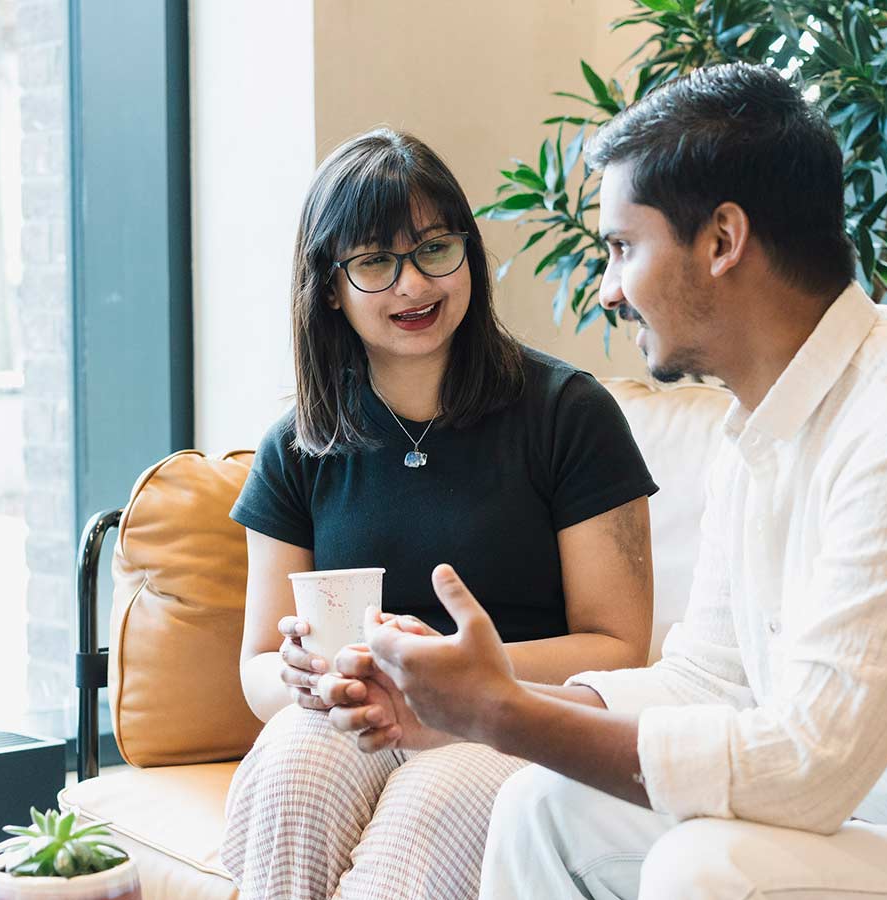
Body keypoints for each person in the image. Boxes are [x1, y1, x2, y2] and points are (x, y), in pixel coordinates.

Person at [329, 65, 887, 900]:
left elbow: (805, 770)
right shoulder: (761, 429)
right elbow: (707, 683)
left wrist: (504, 716)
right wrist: (461, 703)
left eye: (623, 248)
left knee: (707, 871)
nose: (609, 290)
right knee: (544, 805)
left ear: (722, 241)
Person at [220, 127, 661, 900]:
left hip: (515, 715)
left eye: (434, 249)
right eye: (374, 262)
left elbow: (620, 649)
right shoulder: (297, 445)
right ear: (330, 286)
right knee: (290, 769)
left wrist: (453, 677)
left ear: (469, 253)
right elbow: (259, 666)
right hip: (355, 714)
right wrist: (300, 679)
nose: (412, 285)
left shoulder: (568, 414)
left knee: (432, 811)